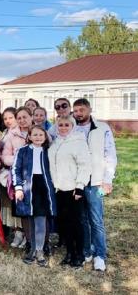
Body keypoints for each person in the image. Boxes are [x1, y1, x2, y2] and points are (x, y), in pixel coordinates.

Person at [72, 98, 117, 272]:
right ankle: (86, 251)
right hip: (78, 182)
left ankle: (100, 255)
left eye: (82, 109)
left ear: (90, 109)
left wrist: (108, 180)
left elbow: (110, 154)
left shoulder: (102, 128)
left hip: (97, 182)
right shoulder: (72, 128)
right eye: (75, 110)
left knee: (96, 219)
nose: (78, 113)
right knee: (82, 219)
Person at [48, 115, 91, 268]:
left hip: (73, 190)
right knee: (64, 223)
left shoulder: (78, 142)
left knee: (76, 224)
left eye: (67, 125)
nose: (64, 127)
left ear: (72, 126)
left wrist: (80, 185)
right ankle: (69, 253)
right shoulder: (55, 142)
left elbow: (85, 165)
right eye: (61, 125)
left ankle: (79, 255)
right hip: (59, 189)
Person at [14, 126, 57, 266]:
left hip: (44, 188)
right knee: (30, 219)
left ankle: (40, 250)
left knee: (41, 219)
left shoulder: (48, 151)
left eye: (41, 134)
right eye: (35, 135)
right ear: (30, 136)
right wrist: (18, 188)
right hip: (28, 188)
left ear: (45, 137)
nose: (38, 137)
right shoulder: (23, 151)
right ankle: (32, 249)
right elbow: (16, 169)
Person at [1, 106, 32, 249]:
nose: (22, 120)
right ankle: (19, 233)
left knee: (31, 206)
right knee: (18, 205)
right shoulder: (13, 136)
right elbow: (5, 156)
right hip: (18, 175)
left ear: (31, 117)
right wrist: (19, 160)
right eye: (19, 118)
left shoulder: (38, 133)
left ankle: (29, 235)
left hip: (34, 176)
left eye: (24, 117)